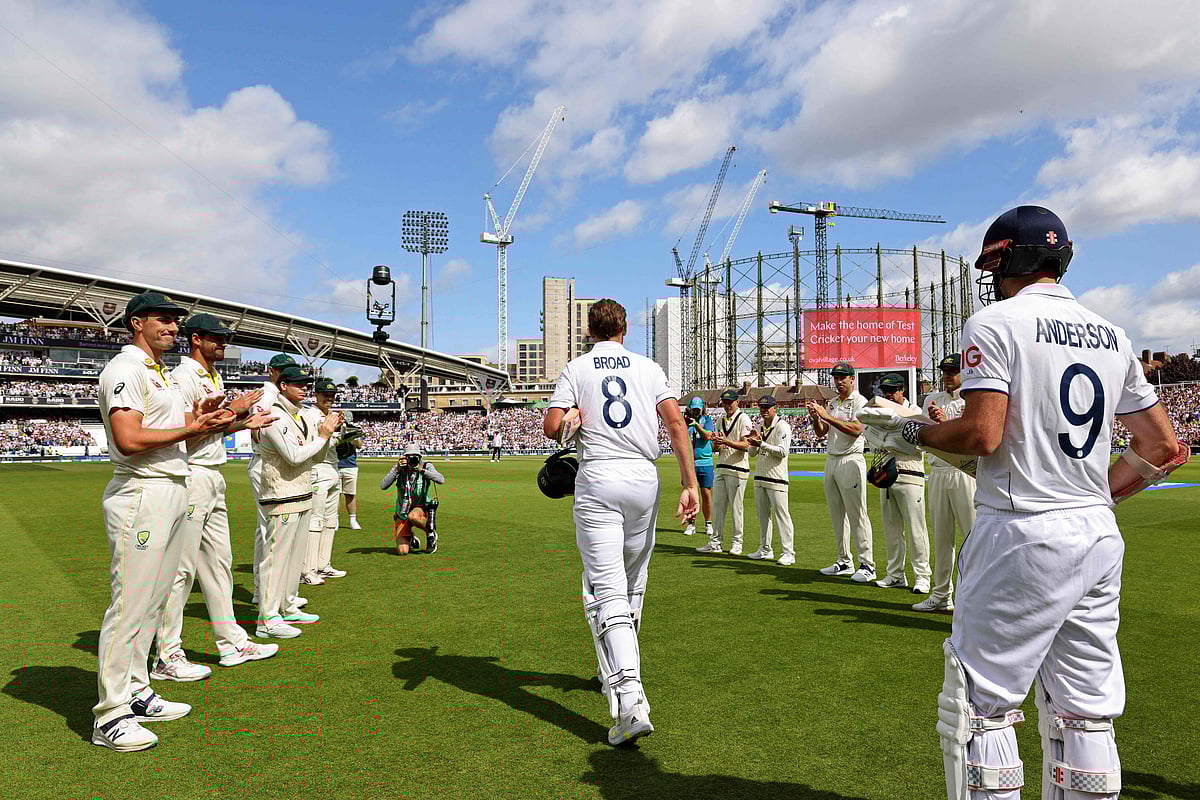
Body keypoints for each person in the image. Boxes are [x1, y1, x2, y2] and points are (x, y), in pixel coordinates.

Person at [879, 206, 1180, 799]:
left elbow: (981, 435)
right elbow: (1164, 445)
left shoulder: (995, 323)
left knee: (980, 706)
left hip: (1021, 527)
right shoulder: (1111, 333)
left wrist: (911, 431)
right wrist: (1100, 495)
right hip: (1094, 531)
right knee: (1086, 709)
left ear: (1005, 259)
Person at [92, 292, 252, 753]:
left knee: (155, 602)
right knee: (130, 606)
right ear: (136, 323)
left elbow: (172, 423)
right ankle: (110, 715)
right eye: (163, 319)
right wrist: (192, 429)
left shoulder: (156, 372)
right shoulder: (124, 369)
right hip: (142, 492)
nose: (172, 327)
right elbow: (128, 438)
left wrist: (204, 417)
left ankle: (138, 691)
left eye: (175, 321)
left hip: (172, 487)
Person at [542, 298, 697, 746]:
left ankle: (629, 699)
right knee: (632, 583)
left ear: (589, 330)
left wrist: (570, 418)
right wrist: (688, 484)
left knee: (604, 591)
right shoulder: (648, 367)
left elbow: (553, 428)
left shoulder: (577, 368)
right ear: (625, 329)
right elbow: (676, 425)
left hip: (600, 475)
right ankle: (611, 670)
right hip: (643, 478)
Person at [153, 313, 277, 684]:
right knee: (181, 571)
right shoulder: (183, 378)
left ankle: (231, 641)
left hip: (212, 475)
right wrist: (234, 411)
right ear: (195, 339)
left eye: (225, 339)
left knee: (219, 564)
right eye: (215, 338)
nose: (223, 344)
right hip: (191, 475)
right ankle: (167, 654)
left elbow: (211, 429)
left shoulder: (211, 377)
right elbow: (184, 435)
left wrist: (241, 424)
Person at [254, 366, 341, 639]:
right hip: (281, 494)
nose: (304, 389)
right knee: (276, 558)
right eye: (298, 384)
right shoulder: (275, 415)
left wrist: (326, 436)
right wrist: (324, 436)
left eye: (306, 384)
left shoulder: (299, 416)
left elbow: (315, 458)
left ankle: (288, 605)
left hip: (302, 491)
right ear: (283, 386)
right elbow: (293, 455)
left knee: (293, 560)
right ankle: (267, 619)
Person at [807, 361, 876, 583]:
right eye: (836, 378)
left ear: (852, 379)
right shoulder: (833, 402)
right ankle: (844, 560)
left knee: (857, 514)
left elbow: (856, 430)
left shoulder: (860, 401)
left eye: (842, 377)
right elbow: (820, 433)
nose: (838, 381)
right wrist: (816, 417)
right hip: (832, 459)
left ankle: (868, 565)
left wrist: (825, 416)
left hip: (851, 459)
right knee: (837, 515)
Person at [914, 354, 973, 613]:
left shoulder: (973, 398)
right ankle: (940, 595)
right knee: (941, 537)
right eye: (945, 371)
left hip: (965, 472)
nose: (948, 375)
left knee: (972, 538)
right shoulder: (930, 399)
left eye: (953, 371)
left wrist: (945, 423)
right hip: (937, 470)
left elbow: (972, 436)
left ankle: (972, 598)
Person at [870, 373, 931, 594]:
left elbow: (918, 445)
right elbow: (872, 439)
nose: (889, 395)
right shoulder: (880, 413)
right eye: (885, 392)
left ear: (902, 390)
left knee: (916, 529)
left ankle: (922, 576)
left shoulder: (914, 412)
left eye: (893, 391)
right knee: (892, 529)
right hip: (886, 474)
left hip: (910, 474)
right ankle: (895, 574)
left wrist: (891, 439)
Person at [249, 353, 297, 604]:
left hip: (275, 464)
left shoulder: (278, 396)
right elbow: (257, 432)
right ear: (272, 371)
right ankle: (263, 591)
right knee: (269, 529)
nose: (288, 375)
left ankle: (269, 590)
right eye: (284, 370)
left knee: (270, 528)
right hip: (266, 463)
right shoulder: (266, 395)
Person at [300, 377, 347, 584]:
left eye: (332, 395)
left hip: (333, 468)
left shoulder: (334, 415)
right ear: (316, 395)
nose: (329, 398)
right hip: (316, 468)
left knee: (331, 520)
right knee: (315, 519)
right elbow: (312, 441)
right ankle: (307, 570)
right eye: (325, 394)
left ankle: (323, 565)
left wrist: (345, 433)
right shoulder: (309, 415)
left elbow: (339, 443)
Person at [697, 388, 751, 555]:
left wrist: (725, 441)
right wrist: (716, 443)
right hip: (721, 467)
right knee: (718, 507)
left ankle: (737, 543)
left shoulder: (744, 419)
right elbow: (716, 447)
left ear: (737, 402)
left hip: (737, 469)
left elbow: (746, 445)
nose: (727, 405)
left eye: (730, 402)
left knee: (736, 508)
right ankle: (715, 542)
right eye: (725, 402)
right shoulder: (721, 420)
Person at [746, 395, 795, 565]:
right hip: (760, 476)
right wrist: (751, 442)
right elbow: (751, 454)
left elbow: (782, 452)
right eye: (761, 407)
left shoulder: (783, 426)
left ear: (775, 408)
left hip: (777, 478)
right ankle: (765, 549)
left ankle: (789, 552)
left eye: (768, 407)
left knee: (782, 516)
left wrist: (762, 444)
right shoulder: (759, 426)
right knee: (763, 516)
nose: (764, 410)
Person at [381, 442, 445, 554]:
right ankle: (411, 537)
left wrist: (421, 471)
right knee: (403, 551)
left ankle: (430, 534)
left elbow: (441, 480)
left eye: (415, 457)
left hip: (421, 506)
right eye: (409, 457)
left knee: (414, 516)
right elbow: (383, 486)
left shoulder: (426, 466)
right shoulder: (399, 469)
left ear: (420, 457)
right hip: (403, 510)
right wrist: (397, 469)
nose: (412, 460)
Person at [681, 396, 715, 538]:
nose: (695, 412)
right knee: (690, 495)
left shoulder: (707, 420)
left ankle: (708, 523)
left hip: (705, 461)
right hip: (689, 463)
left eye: (698, 409)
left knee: (706, 494)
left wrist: (696, 425)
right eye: (693, 409)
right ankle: (691, 523)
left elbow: (708, 436)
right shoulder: (684, 422)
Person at [337, 409, 362, 529]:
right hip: (334, 464)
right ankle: (334, 519)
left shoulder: (355, 428)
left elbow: (359, 445)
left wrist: (351, 433)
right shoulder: (334, 426)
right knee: (334, 495)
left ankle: (353, 519)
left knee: (350, 494)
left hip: (350, 465)